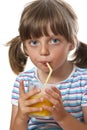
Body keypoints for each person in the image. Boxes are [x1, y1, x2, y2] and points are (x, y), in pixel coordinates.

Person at [7, 0, 87, 130]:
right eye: (34, 42)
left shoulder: (83, 81)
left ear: (71, 42)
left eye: (54, 41)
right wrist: (21, 117)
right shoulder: (24, 82)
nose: (43, 51)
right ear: (25, 48)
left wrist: (63, 118)